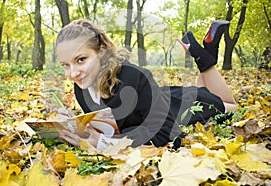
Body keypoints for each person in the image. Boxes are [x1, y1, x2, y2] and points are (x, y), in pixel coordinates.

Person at [56, 19, 237, 150]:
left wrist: (105, 144)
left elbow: (167, 132)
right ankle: (208, 49)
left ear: (101, 51)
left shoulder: (135, 77)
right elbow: (112, 123)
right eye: (66, 65)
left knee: (231, 105)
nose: (72, 74)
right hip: (161, 97)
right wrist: (78, 125)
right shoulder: (81, 86)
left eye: (80, 60)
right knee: (203, 88)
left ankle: (201, 55)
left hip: (181, 108)